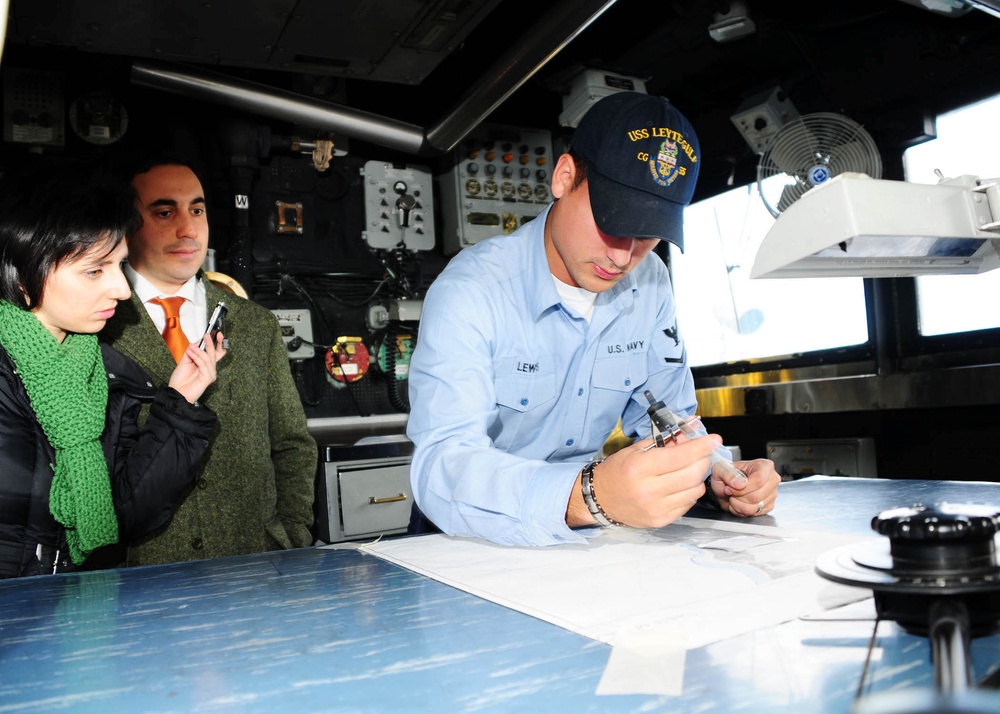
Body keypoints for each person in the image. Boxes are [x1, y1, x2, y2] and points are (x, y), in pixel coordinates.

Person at [406, 92, 781, 546]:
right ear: (565, 177)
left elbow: (669, 418)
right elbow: (442, 466)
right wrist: (587, 495)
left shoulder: (652, 283)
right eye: (612, 220)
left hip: (590, 533)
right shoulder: (472, 289)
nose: (623, 256)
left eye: (647, 234)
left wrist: (717, 468)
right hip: (470, 536)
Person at [0, 159, 225, 578]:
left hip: (78, 611)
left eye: (119, 266)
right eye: (94, 270)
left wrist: (178, 404)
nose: (122, 290)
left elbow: (124, 518)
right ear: (22, 275)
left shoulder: (109, 376)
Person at [101, 158, 317, 565]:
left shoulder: (255, 325)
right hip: (141, 578)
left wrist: (291, 536)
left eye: (196, 210)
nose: (188, 229)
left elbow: (292, 444)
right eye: (165, 212)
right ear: (126, 223)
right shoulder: (97, 325)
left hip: (255, 564)